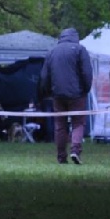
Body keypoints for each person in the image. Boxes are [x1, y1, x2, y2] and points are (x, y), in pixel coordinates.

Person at [39, 27, 94, 165]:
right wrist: (85, 90)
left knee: (60, 125)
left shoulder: (51, 51)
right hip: (77, 94)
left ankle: (61, 156)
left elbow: (44, 76)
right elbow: (87, 73)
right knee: (78, 123)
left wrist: (48, 91)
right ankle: (75, 150)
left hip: (57, 94)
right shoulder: (80, 50)